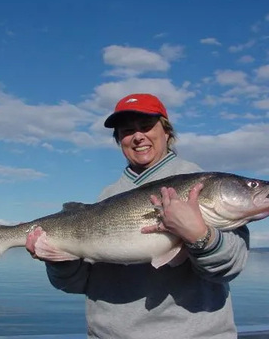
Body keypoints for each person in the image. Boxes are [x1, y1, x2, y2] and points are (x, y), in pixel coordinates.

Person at [26, 93, 250, 339]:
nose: (138, 136)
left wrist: (199, 236)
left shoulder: (201, 186)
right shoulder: (108, 196)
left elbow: (230, 267)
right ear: (119, 139)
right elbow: (77, 284)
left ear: (166, 132)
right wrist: (59, 260)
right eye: (127, 130)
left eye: (146, 126)